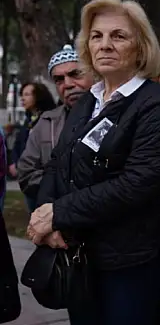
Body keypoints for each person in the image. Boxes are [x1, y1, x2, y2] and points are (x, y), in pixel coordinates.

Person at [26, 0, 160, 325]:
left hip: (129, 261)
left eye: (118, 35)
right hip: (80, 258)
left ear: (140, 47)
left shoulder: (156, 105)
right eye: (96, 36)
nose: (105, 44)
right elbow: (58, 165)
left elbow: (137, 183)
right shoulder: (90, 100)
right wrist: (48, 217)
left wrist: (61, 213)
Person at [18, 45, 95, 206]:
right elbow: (26, 172)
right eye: (59, 79)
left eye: (75, 74)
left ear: (94, 74)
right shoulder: (46, 121)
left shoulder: (113, 114)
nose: (67, 84)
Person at [10, 81, 56, 211]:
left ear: (38, 96)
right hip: (28, 178)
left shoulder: (50, 119)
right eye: (22, 95)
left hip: (43, 178)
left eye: (27, 94)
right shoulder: (28, 120)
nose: (22, 99)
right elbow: (19, 143)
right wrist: (14, 162)